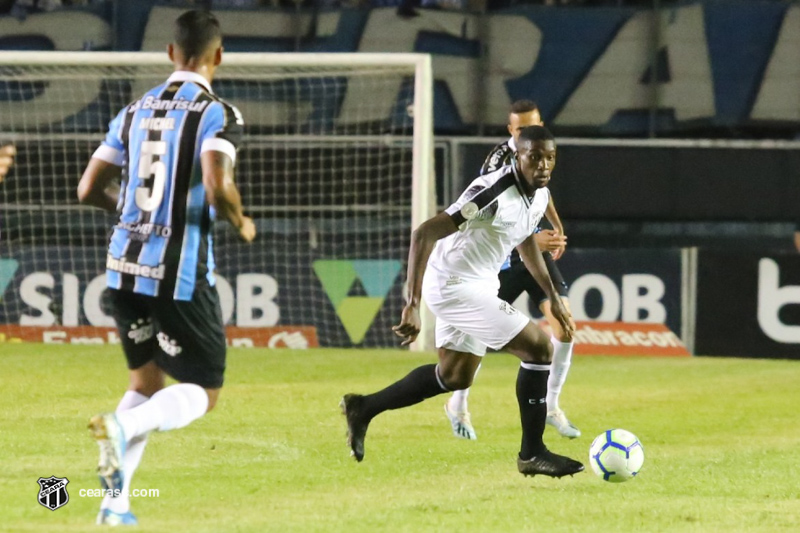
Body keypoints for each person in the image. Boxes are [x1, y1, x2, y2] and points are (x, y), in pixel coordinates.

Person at [77, 10, 255, 526]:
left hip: (123, 266)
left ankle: (115, 506)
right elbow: (218, 185)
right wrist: (241, 222)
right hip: (178, 270)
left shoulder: (133, 111)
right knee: (207, 391)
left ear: (171, 53)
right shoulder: (217, 113)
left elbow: (88, 189)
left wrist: (137, 211)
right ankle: (120, 429)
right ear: (218, 55)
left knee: (146, 382)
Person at [341, 125, 584, 479]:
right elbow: (424, 232)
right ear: (518, 156)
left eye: (550, 158)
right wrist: (412, 302)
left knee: (455, 376)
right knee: (539, 348)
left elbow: (525, 241)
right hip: (453, 284)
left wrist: (553, 297)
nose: (543, 165)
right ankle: (532, 453)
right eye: (534, 157)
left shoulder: (540, 195)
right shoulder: (490, 192)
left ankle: (363, 408)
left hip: (481, 283)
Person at [444, 100, 580, 441]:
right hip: (500, 257)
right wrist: (535, 237)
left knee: (565, 326)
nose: (524, 135)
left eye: (529, 127)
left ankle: (551, 406)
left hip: (533, 254)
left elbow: (541, 194)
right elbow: (492, 216)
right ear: (510, 132)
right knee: (476, 335)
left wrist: (556, 226)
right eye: (518, 130)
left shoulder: (541, 151)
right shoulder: (498, 162)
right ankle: (457, 404)